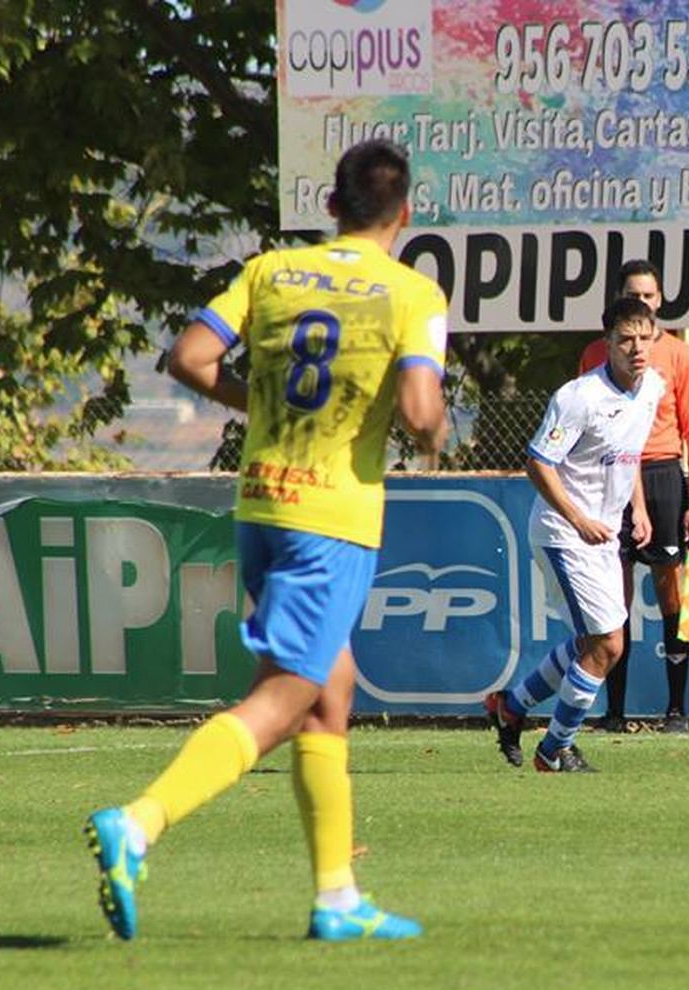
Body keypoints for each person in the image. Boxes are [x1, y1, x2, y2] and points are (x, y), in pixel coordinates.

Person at [84, 139, 449, 942]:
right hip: (333, 521)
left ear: (331, 207)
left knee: (331, 693)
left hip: (262, 506)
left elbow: (189, 356)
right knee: (283, 700)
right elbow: (422, 415)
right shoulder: (413, 293)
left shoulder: (272, 272)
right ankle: (138, 823)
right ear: (406, 214)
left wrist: (265, 405)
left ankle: (336, 897)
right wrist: (428, 427)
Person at [484, 296, 666, 771]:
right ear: (607, 342)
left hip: (604, 534)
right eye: (625, 339)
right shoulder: (578, 397)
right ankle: (554, 749)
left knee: (595, 643)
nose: (636, 348)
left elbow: (631, 456)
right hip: (564, 534)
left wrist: (639, 508)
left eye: (644, 338)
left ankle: (514, 707)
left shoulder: (653, 389)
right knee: (608, 645)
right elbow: (538, 464)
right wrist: (577, 519)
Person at [576, 260, 689, 734]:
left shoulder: (680, 357)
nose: (644, 304)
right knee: (616, 597)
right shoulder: (596, 353)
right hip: (610, 477)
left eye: (651, 297)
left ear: (659, 302)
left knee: (671, 591)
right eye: (635, 296)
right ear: (617, 303)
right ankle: (615, 712)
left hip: (661, 476)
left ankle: (677, 709)